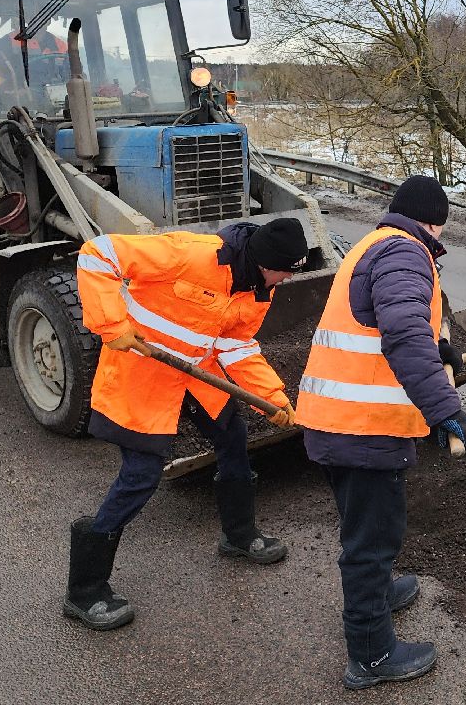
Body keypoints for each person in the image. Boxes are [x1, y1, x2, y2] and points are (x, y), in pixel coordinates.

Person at [64, 218, 307, 631]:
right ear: (265, 260)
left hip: (196, 372)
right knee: (140, 475)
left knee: (233, 437)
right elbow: (98, 253)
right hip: (142, 370)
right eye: (284, 270)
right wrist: (112, 324)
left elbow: (236, 345)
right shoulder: (189, 253)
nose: (286, 278)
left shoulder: (261, 288)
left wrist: (272, 397)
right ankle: (85, 590)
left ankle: (239, 534)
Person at [295, 175, 466, 690]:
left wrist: (440, 351)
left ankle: (379, 592)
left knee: (366, 527)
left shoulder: (373, 245)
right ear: (432, 220)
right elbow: (403, 332)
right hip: (363, 428)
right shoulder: (405, 252)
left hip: (337, 421)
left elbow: (380, 324)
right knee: (370, 539)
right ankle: (370, 654)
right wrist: (443, 409)